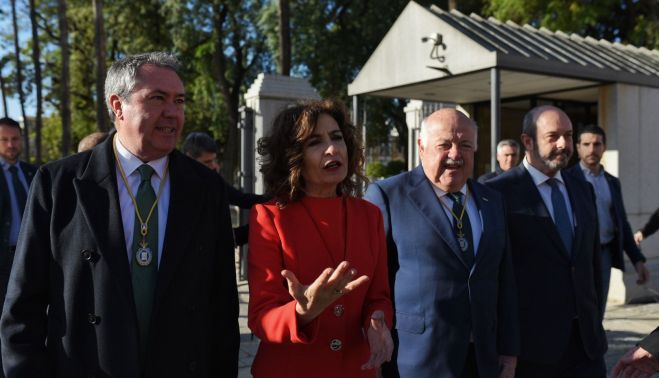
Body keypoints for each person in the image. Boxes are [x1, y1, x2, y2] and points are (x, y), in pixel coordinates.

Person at [0, 52, 239, 377]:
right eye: (157, 98)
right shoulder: (60, 183)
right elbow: (23, 305)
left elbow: (222, 308)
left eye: (179, 101)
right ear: (117, 105)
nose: (173, 113)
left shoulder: (206, 188)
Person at [365, 108, 519, 378]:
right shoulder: (388, 196)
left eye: (465, 145)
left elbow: (505, 279)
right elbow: (372, 280)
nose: (455, 154)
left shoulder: (492, 200)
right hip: (417, 359)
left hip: (483, 359)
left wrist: (509, 349)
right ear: (421, 147)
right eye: (444, 145)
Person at [247, 99, 393, 377]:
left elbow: (379, 297)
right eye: (315, 142)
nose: (333, 148)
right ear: (293, 157)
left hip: (356, 369)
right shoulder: (269, 217)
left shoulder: (370, 215)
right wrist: (303, 312)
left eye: (337, 137)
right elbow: (260, 318)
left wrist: (378, 323)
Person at [487, 105, 607, 377]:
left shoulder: (583, 189)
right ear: (527, 141)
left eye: (568, 135)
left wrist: (596, 323)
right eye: (553, 136)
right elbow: (494, 276)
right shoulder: (497, 194)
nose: (564, 144)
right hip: (532, 351)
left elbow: (590, 263)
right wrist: (506, 346)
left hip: (587, 346)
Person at [566, 124, 649, 315]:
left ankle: (596, 345)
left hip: (604, 254)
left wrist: (638, 260)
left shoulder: (612, 182)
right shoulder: (566, 180)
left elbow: (622, 224)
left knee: (598, 312)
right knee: (576, 311)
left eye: (597, 144)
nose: (591, 149)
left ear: (604, 147)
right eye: (586, 144)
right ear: (577, 147)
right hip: (577, 256)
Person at [181, 131, 267, 246]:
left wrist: (277, 200)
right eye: (207, 162)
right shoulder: (177, 191)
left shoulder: (213, 182)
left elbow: (242, 199)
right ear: (189, 159)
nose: (214, 166)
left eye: (214, 160)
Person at [0, 117, 37, 378]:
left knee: (31, 319)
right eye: (3, 140)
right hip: (3, 262)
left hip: (33, 259)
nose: (11, 145)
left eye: (14, 139)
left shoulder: (34, 173)